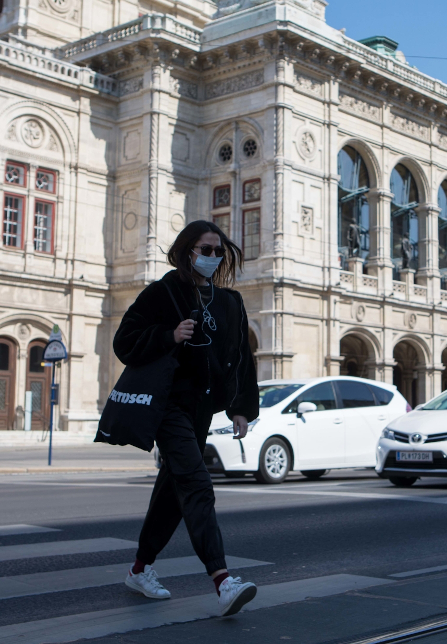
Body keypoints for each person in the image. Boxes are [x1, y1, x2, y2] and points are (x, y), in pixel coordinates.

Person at [112, 220, 259, 617]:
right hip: (168, 405)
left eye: (217, 252)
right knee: (196, 483)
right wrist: (168, 335)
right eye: (204, 249)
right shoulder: (164, 292)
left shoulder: (230, 302)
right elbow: (124, 341)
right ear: (185, 250)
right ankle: (223, 580)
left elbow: (243, 358)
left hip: (200, 409)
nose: (211, 257)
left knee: (172, 495)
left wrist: (242, 407)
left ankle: (139, 570)